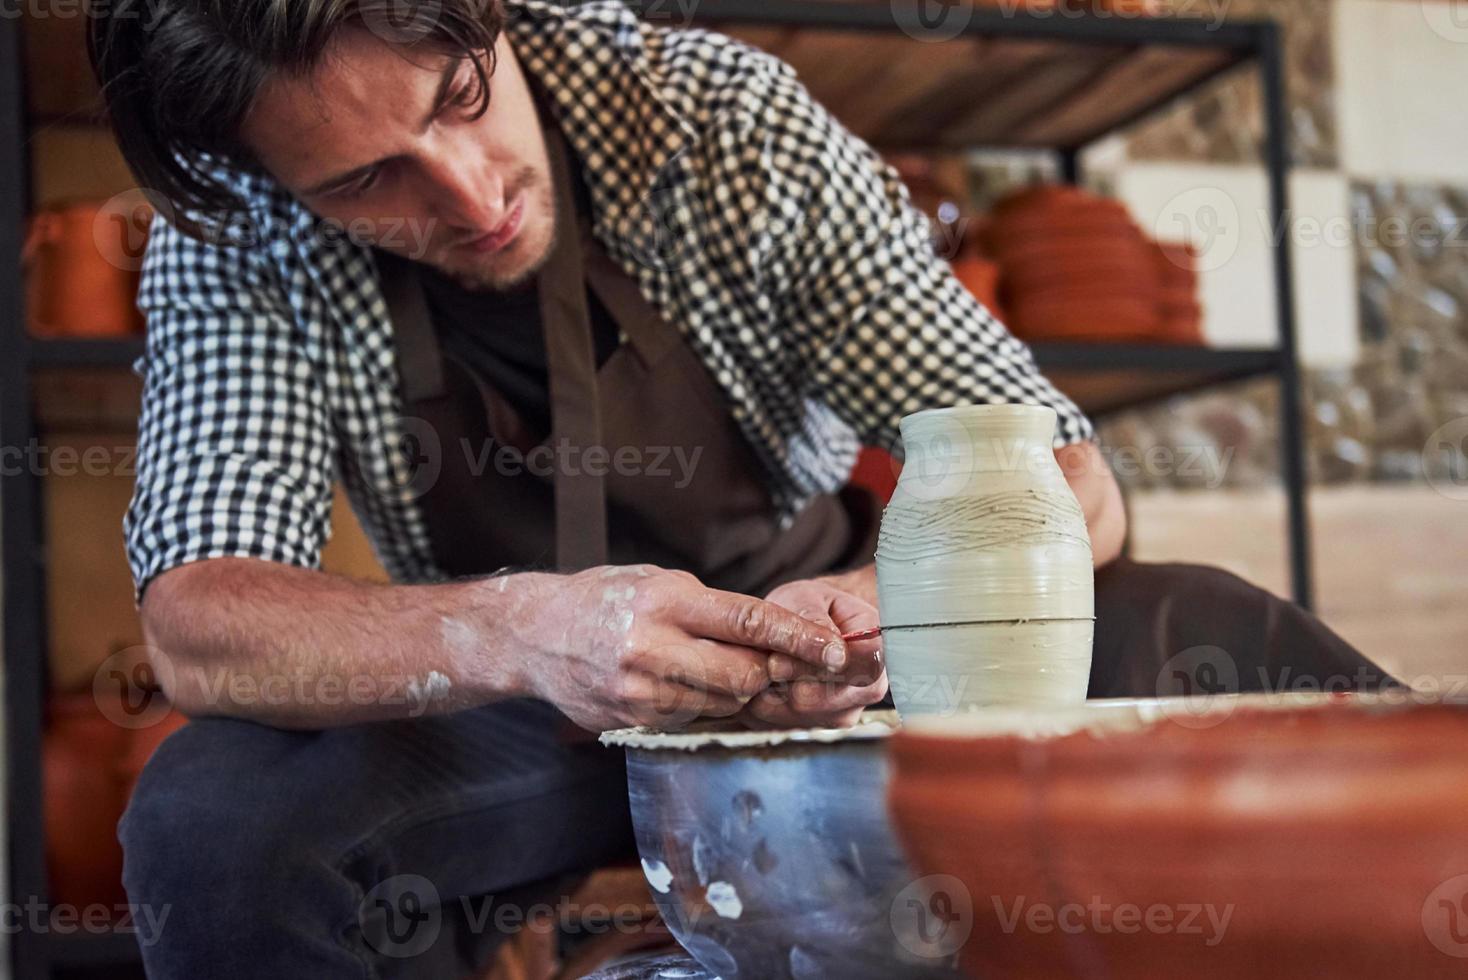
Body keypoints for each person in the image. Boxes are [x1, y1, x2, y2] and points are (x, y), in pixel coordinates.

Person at [88, 1, 1393, 975]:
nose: (469, 195)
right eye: (367, 182)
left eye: (459, 99)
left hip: (846, 650)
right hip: (529, 694)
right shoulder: (238, 240)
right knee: (223, 823)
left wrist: (889, 612)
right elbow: (203, 619)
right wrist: (520, 631)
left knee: (1215, 629)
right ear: (269, 181)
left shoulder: (715, 118)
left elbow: (1066, 472)